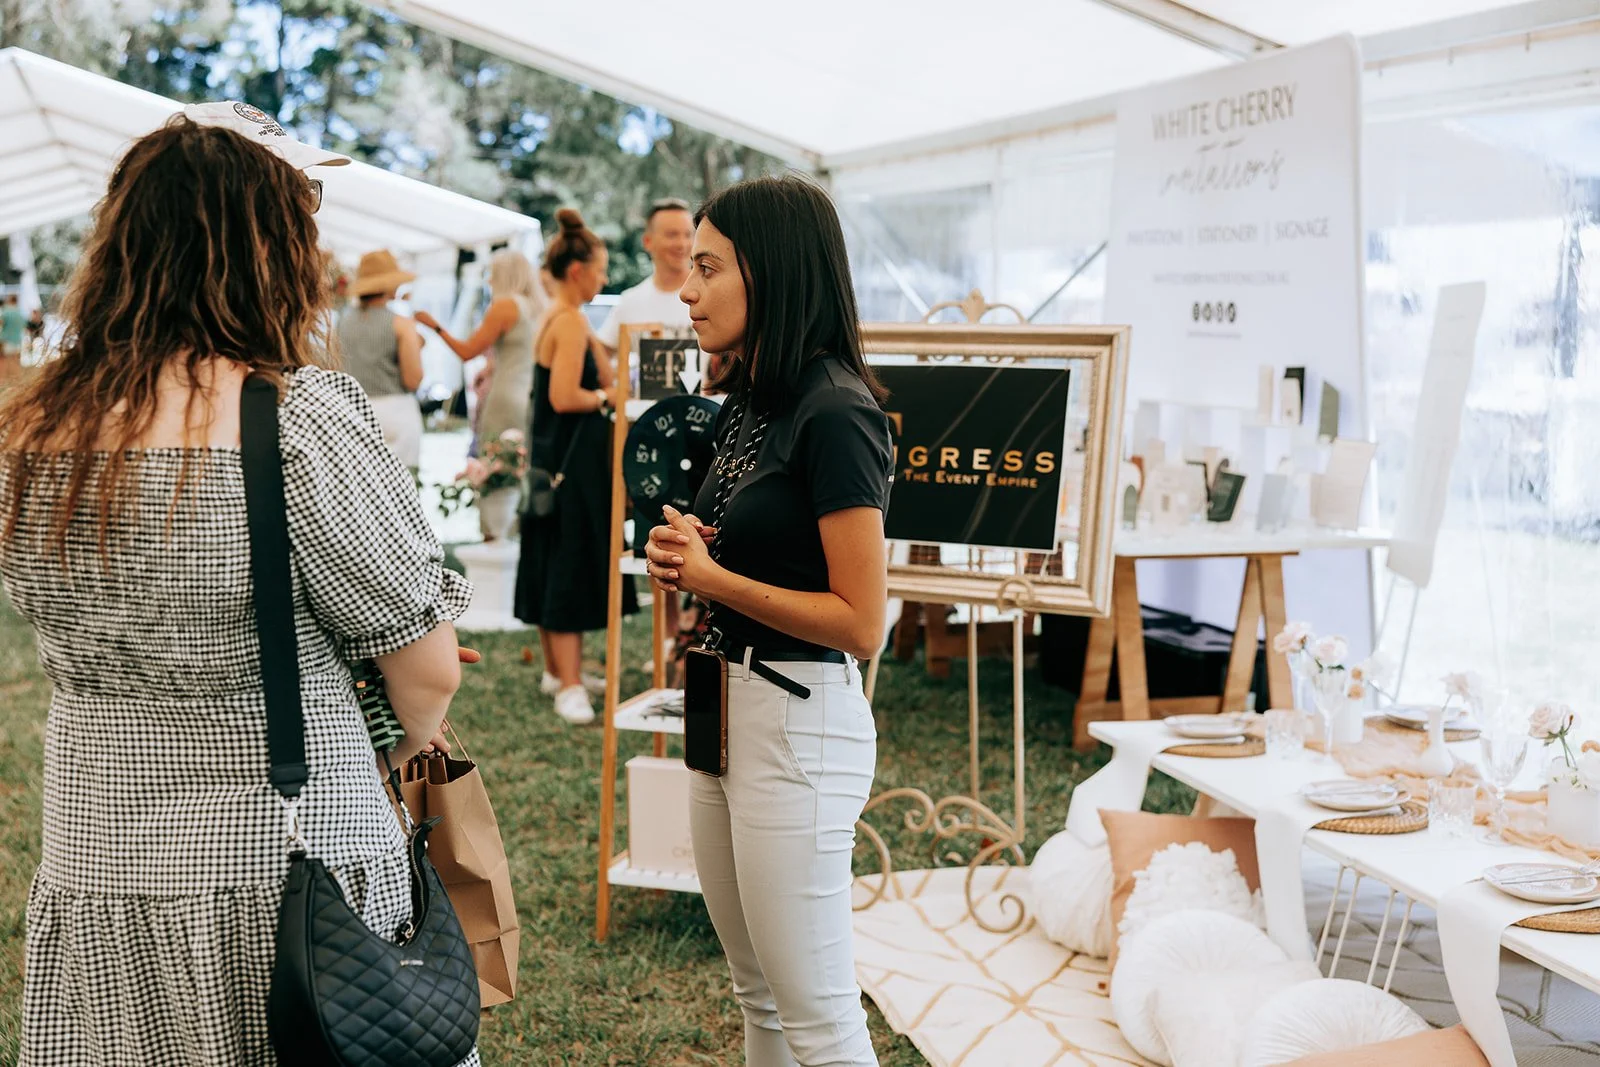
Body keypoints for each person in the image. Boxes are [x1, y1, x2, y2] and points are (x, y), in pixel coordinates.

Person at [0, 106, 478, 1066]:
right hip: (292, 870)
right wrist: (402, 732)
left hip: (100, 859)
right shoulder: (293, 413)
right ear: (270, 254)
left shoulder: (30, 431)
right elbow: (424, 673)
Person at [646, 175, 893, 1067]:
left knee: (820, 1020)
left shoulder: (837, 411)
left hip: (798, 725)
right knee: (761, 997)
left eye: (707, 268)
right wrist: (695, 559)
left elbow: (863, 620)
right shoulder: (755, 396)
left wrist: (717, 576)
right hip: (727, 711)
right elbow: (755, 553)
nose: (687, 288)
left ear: (774, 273)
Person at [514, 208, 635, 725]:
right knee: (566, 566)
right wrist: (608, 393)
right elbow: (565, 397)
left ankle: (558, 670)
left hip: (556, 466)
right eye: (601, 268)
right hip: (570, 470)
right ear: (578, 270)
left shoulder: (568, 318)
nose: (605, 278)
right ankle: (567, 683)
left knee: (551, 561)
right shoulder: (565, 321)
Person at [415, 248, 544, 452]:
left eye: (493, 275)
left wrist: (435, 327)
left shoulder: (504, 307)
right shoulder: (534, 307)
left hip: (505, 396)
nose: (489, 281)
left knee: (495, 459)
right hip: (527, 395)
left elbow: (467, 352)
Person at [337, 249, 425, 470]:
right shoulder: (402, 324)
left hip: (353, 411)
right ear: (389, 285)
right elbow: (413, 379)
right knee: (401, 491)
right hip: (394, 412)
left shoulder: (341, 323)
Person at [596, 197, 695, 354]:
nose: (682, 244)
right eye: (672, 235)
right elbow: (599, 357)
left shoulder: (710, 297)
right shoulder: (629, 302)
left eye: (688, 235)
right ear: (648, 241)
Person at [0, 294, 23, 379]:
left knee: (2, 361)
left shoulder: (6, 311)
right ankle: (16, 380)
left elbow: (1, 323)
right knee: (15, 361)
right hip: (17, 341)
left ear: (10, 300)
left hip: (5, 340)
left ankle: (2, 381)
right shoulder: (20, 312)